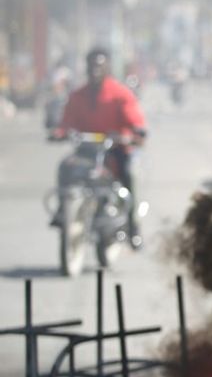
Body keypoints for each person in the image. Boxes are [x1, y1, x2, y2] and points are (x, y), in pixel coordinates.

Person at [52, 47, 148, 248]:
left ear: (107, 68)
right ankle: (63, 212)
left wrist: (133, 134)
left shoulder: (120, 94)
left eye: (99, 65)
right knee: (65, 167)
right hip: (86, 150)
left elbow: (135, 121)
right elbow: (67, 121)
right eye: (92, 65)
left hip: (114, 150)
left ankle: (132, 227)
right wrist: (60, 133)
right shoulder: (78, 96)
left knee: (128, 175)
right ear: (86, 68)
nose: (95, 70)